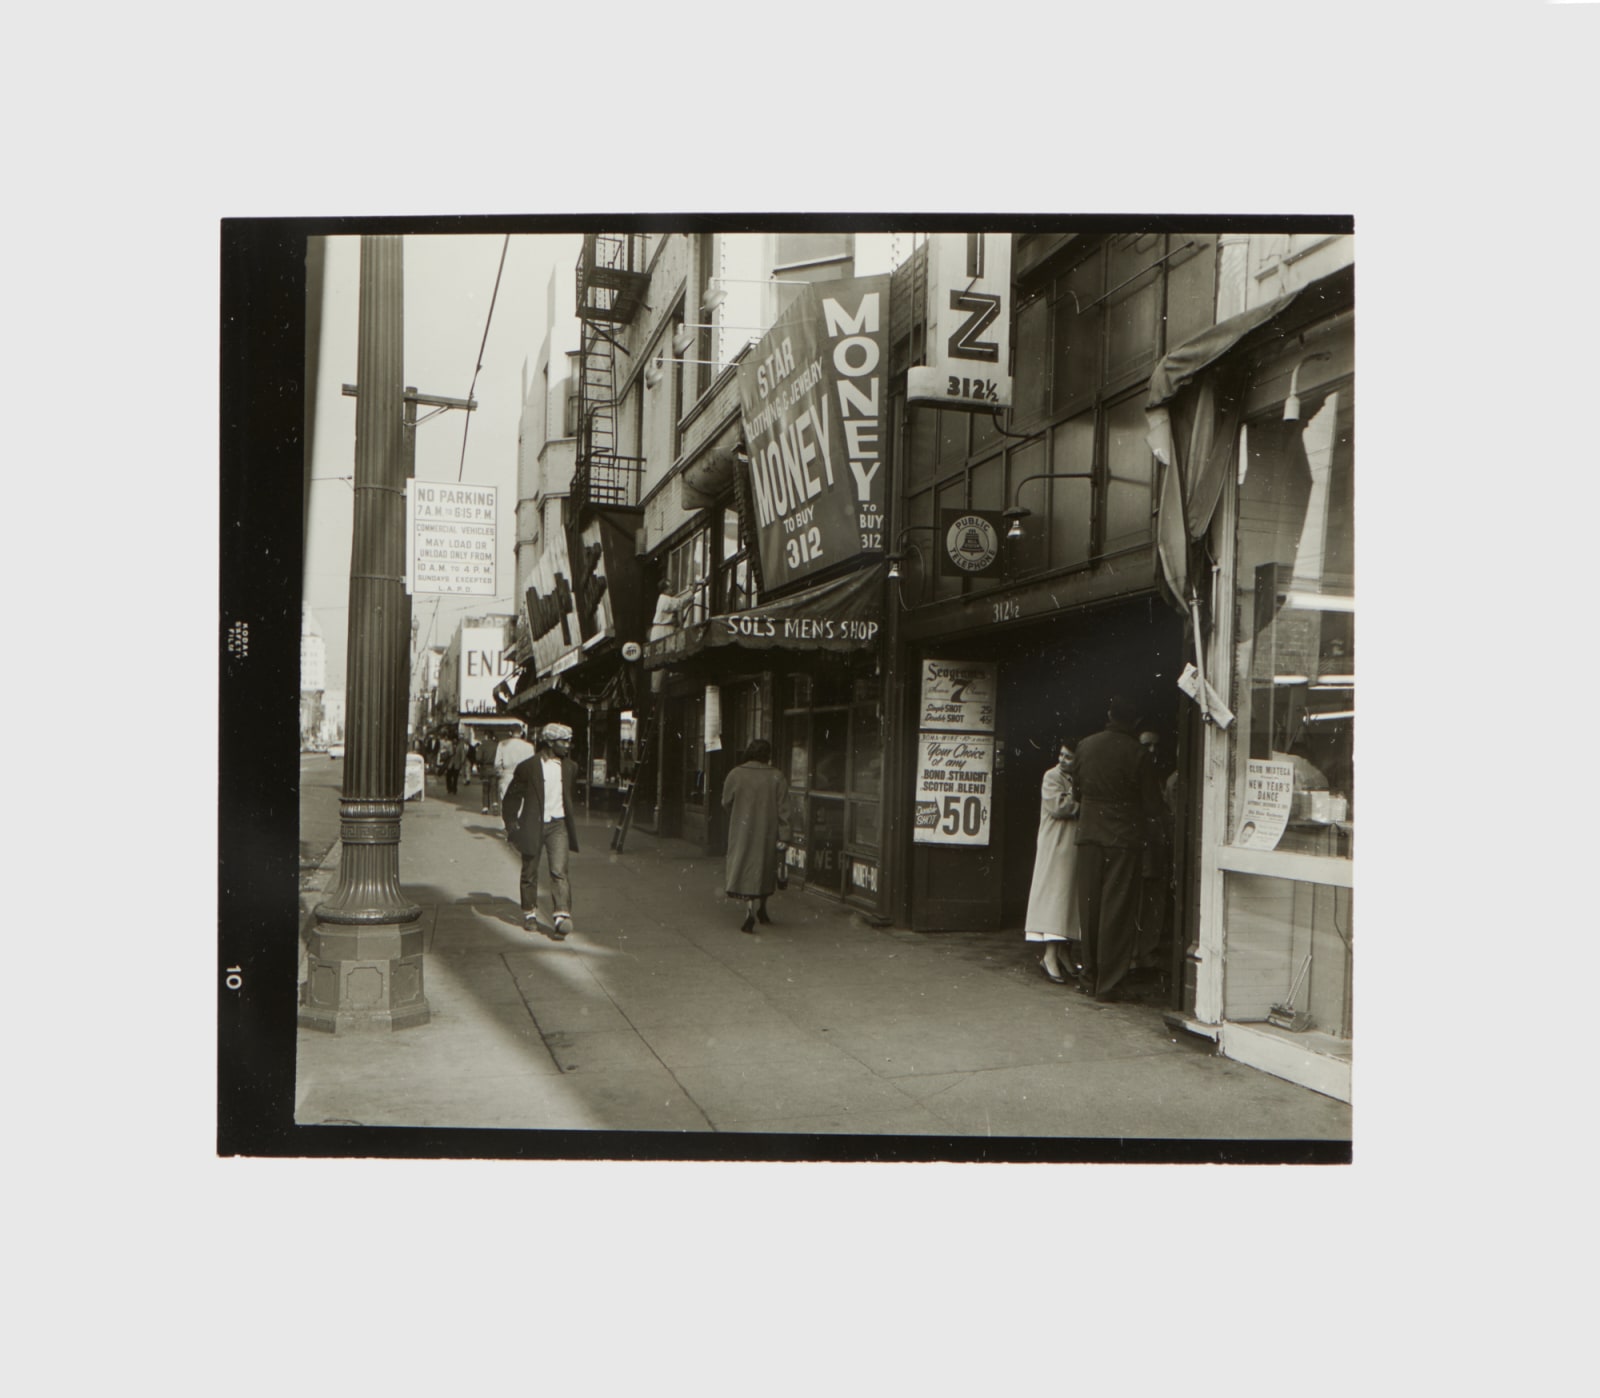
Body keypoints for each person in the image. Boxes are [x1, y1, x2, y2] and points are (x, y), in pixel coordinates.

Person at [1072, 696, 1164, 1002]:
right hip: (1123, 839)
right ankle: (1109, 984)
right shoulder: (1138, 754)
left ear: (1109, 714)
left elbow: (1077, 790)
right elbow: (1152, 804)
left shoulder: (1085, 745)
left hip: (1088, 836)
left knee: (1090, 907)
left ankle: (1089, 977)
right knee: (1117, 911)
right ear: (1134, 722)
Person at [503, 723, 581, 940]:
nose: (567, 746)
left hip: (558, 825)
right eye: (563, 742)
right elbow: (512, 797)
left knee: (559, 871)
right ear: (549, 742)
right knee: (530, 870)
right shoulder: (528, 767)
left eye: (568, 741)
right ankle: (529, 913)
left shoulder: (570, 767)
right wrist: (511, 824)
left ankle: (561, 916)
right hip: (532, 825)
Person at [1024, 744, 1083, 983]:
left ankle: (1065, 955)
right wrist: (1085, 805)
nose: (1062, 760)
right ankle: (1049, 956)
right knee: (1056, 898)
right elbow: (1059, 807)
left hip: (1072, 845)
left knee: (1069, 899)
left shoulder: (1077, 777)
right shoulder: (1051, 776)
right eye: (1060, 754)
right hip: (1056, 844)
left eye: (1068, 756)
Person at [720, 738, 789, 934]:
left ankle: (748, 911)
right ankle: (763, 909)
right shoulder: (777, 776)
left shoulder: (735, 774)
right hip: (768, 830)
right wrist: (785, 836)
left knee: (745, 866)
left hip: (742, 828)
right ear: (767, 756)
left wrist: (738, 814)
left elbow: (726, 802)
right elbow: (784, 811)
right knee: (765, 868)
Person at [494, 720, 536, 831]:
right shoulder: (529, 746)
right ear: (521, 732)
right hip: (523, 775)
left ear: (510, 732)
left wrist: (500, 773)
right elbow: (532, 764)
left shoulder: (502, 744)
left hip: (507, 774)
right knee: (521, 801)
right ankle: (518, 824)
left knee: (505, 800)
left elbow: (497, 763)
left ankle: (507, 825)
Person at [477, 731, 501, 815]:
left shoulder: (482, 745)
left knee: (485, 788)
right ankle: (495, 805)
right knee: (494, 788)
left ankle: (485, 807)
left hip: (485, 769)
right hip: (494, 769)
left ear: (486, 736)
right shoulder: (497, 745)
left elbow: (478, 758)